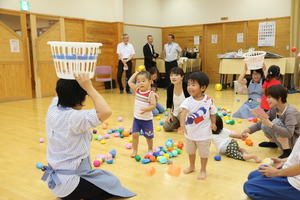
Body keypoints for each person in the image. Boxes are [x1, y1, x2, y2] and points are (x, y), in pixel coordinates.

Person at [40, 73, 136, 200]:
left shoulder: (53, 108)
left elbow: (62, 91)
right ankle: (72, 195)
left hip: (55, 181)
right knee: (112, 183)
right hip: (71, 184)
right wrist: (89, 88)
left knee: (101, 177)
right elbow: (105, 111)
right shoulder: (74, 118)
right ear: (81, 98)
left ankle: (66, 194)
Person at [240, 84, 300, 158]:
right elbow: (261, 123)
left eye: (269, 97)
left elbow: (289, 133)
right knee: (265, 124)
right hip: (286, 140)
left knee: (275, 122)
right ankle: (273, 143)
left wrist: (271, 124)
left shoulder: (290, 112)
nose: (267, 100)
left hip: (295, 144)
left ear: (279, 98)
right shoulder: (274, 109)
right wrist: (246, 130)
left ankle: (287, 151)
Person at [179, 72, 217, 180]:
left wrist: (213, 123)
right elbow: (183, 113)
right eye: (188, 84)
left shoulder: (208, 100)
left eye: (193, 85)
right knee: (190, 152)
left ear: (203, 87)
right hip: (190, 133)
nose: (190, 87)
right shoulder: (187, 101)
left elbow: (212, 112)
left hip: (204, 134)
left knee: (204, 153)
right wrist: (182, 126)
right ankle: (192, 165)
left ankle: (203, 169)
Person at [128, 70, 156, 158]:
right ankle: (135, 150)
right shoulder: (137, 90)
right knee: (135, 135)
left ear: (150, 82)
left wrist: (146, 109)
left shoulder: (150, 94)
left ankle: (150, 148)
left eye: (143, 81)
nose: (141, 83)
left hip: (147, 120)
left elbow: (153, 105)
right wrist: (135, 74)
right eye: (138, 81)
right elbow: (129, 82)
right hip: (137, 119)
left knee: (148, 136)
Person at [163, 67, 190, 132]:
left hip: (186, 113)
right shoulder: (170, 87)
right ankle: (180, 123)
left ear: (182, 77)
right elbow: (168, 102)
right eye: (171, 75)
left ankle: (185, 124)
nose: (173, 77)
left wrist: (184, 109)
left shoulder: (187, 87)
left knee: (181, 116)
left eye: (176, 75)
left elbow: (191, 101)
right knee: (166, 127)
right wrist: (169, 114)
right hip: (175, 113)